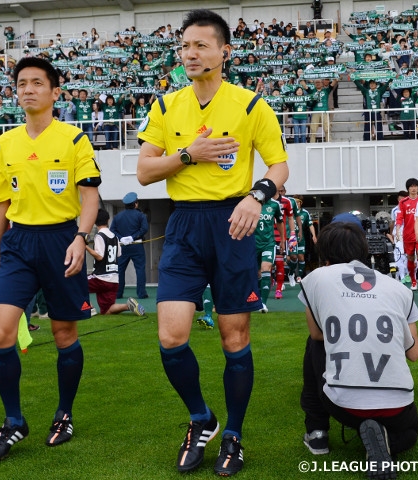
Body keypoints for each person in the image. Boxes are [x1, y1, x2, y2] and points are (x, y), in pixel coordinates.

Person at [136, 9, 289, 476]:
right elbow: (144, 171)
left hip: (233, 223)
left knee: (233, 337)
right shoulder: (165, 106)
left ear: (224, 51)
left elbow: (278, 167)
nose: (191, 53)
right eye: (185, 46)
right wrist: (188, 155)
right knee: (170, 335)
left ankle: (235, 435)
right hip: (184, 225)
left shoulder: (250, 105)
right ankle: (202, 418)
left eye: (201, 45)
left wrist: (256, 198)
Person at [0, 57, 101, 462]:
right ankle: (14, 421)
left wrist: (80, 238)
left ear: (55, 92)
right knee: (1, 334)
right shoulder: (4, 143)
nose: (28, 89)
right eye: (21, 83)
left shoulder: (73, 139)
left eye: (37, 83)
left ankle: (64, 413)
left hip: (62, 240)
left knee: (64, 333)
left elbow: (90, 196)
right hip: (19, 242)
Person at [299, 220, 418, 480]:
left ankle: (317, 432)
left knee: (314, 344)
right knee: (409, 434)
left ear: (325, 253)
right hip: (397, 404)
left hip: (342, 404)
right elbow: (414, 353)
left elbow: (316, 333)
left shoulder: (315, 278)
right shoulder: (399, 289)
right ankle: (387, 437)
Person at [86, 209, 146, 316]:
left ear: (94, 221)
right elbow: (118, 253)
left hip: (101, 277)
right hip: (113, 280)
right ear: (108, 220)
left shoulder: (99, 236)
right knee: (107, 311)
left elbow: (99, 256)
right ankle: (128, 305)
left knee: (77, 283)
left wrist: (85, 247)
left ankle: (89, 308)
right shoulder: (114, 236)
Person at [110, 192, 149, 299]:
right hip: (137, 245)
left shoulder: (118, 217)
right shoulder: (141, 215)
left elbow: (112, 230)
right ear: (136, 204)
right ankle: (141, 293)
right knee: (140, 269)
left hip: (123, 246)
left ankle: (118, 293)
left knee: (120, 270)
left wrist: (121, 237)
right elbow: (144, 229)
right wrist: (133, 237)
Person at [254, 193, 284, 312]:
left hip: (268, 243)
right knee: (257, 274)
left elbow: (280, 222)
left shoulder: (275, 204)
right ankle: (257, 299)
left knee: (266, 267)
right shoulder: (252, 203)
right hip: (253, 243)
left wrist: (282, 240)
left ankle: (263, 303)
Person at [395, 178, 418, 291]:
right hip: (407, 235)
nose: (413, 188)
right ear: (408, 188)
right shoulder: (403, 202)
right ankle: (413, 282)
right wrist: (398, 230)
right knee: (410, 258)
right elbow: (399, 218)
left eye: (415, 186)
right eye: (411, 186)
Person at [294, 195, 317, 282]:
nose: (297, 204)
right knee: (290, 258)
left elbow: (310, 224)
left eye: (298, 202)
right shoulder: (289, 212)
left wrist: (314, 235)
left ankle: (299, 276)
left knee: (301, 257)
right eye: (295, 202)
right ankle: (291, 273)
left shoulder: (305, 213)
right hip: (290, 238)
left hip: (300, 239)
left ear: (301, 203)